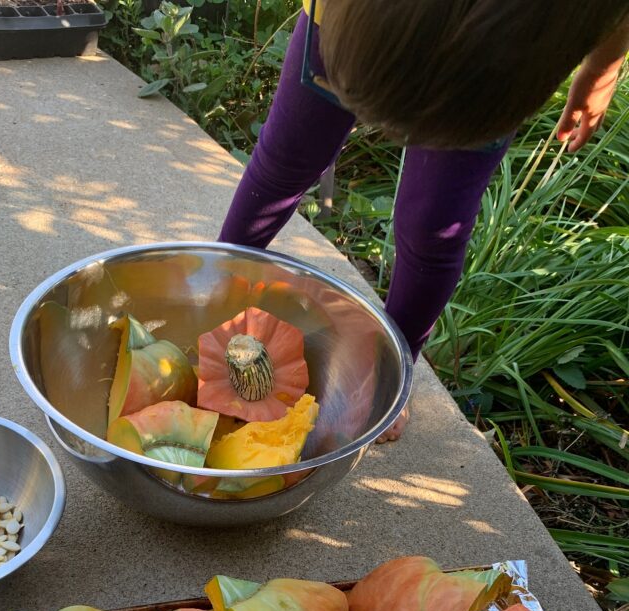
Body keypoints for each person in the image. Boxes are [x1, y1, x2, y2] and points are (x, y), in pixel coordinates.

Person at [218, 0, 629, 440]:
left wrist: (604, 64)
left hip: (496, 62)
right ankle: (218, 289)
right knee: (286, 158)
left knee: (434, 226)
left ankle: (394, 363)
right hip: (347, 18)